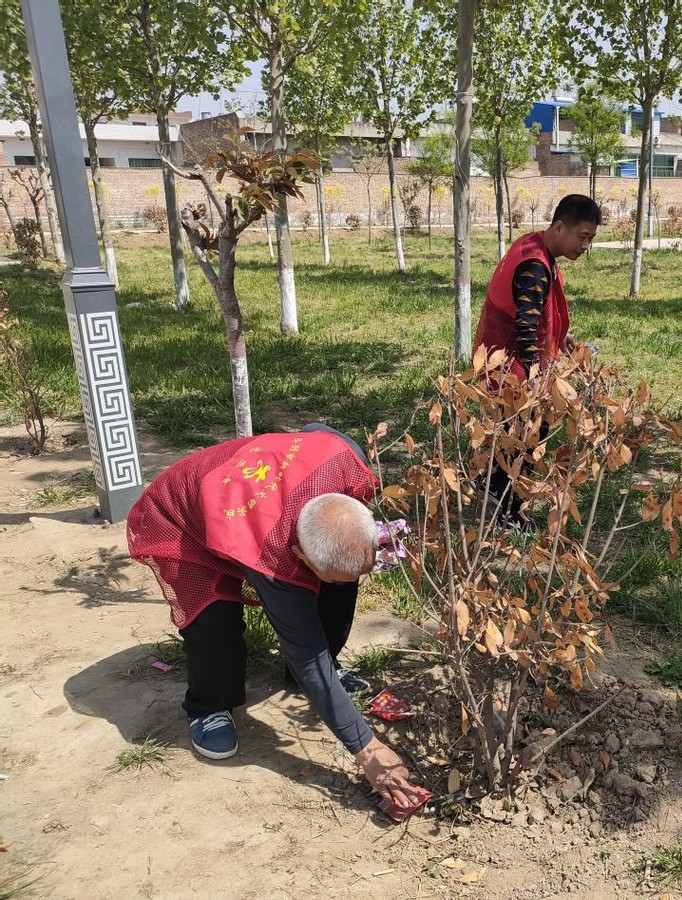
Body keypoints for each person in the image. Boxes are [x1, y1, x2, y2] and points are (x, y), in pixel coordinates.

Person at [126, 423, 424, 813]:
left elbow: (318, 430)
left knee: (339, 581)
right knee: (213, 619)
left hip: (249, 500)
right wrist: (367, 749)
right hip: (183, 518)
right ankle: (208, 707)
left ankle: (312, 675)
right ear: (298, 555)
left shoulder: (349, 463)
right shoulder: (272, 554)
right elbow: (305, 652)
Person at [472, 193, 601, 520]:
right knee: (528, 436)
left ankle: (492, 481)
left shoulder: (534, 245)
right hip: (508, 363)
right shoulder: (534, 266)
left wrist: (565, 341)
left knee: (512, 432)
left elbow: (537, 311)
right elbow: (526, 325)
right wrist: (532, 382)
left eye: (591, 239)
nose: (585, 246)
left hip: (498, 357)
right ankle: (509, 511)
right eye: (582, 236)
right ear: (560, 227)